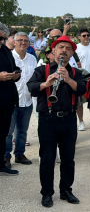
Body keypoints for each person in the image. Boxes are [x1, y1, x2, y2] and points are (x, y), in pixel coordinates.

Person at [27, 36, 86, 207]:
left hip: (68, 118)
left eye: (68, 48)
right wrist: (46, 84)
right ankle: (47, 193)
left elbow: (82, 89)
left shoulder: (75, 73)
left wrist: (68, 79)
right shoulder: (42, 69)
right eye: (61, 47)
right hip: (48, 119)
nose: (64, 51)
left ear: (72, 53)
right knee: (47, 158)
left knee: (68, 158)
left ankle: (66, 190)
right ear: (53, 51)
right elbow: (31, 88)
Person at [4, 32, 37, 168]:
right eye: (20, 40)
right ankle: (6, 156)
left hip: (27, 100)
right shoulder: (8, 58)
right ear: (14, 42)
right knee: (8, 132)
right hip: (11, 100)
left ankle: (19, 154)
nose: (23, 42)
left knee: (22, 131)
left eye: (26, 40)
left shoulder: (32, 58)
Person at [0, 23, 21, 176]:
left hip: (6, 98)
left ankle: (1, 164)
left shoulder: (5, 51)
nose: (1, 41)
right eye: (0, 37)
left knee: (3, 132)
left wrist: (16, 74)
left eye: (4, 38)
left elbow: (14, 66)